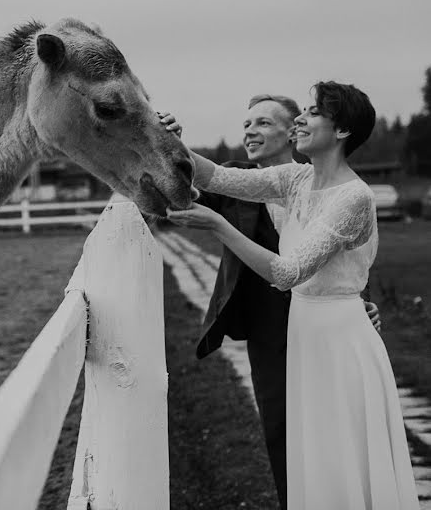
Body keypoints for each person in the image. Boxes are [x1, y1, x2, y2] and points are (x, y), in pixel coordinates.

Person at [165, 81, 418, 509]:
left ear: (341, 131)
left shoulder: (354, 197)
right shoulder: (296, 178)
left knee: (344, 451)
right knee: (311, 451)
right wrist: (167, 139)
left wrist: (218, 226)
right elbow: (215, 176)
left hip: (339, 340)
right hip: (305, 333)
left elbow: (288, 272)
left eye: (313, 112)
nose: (301, 118)